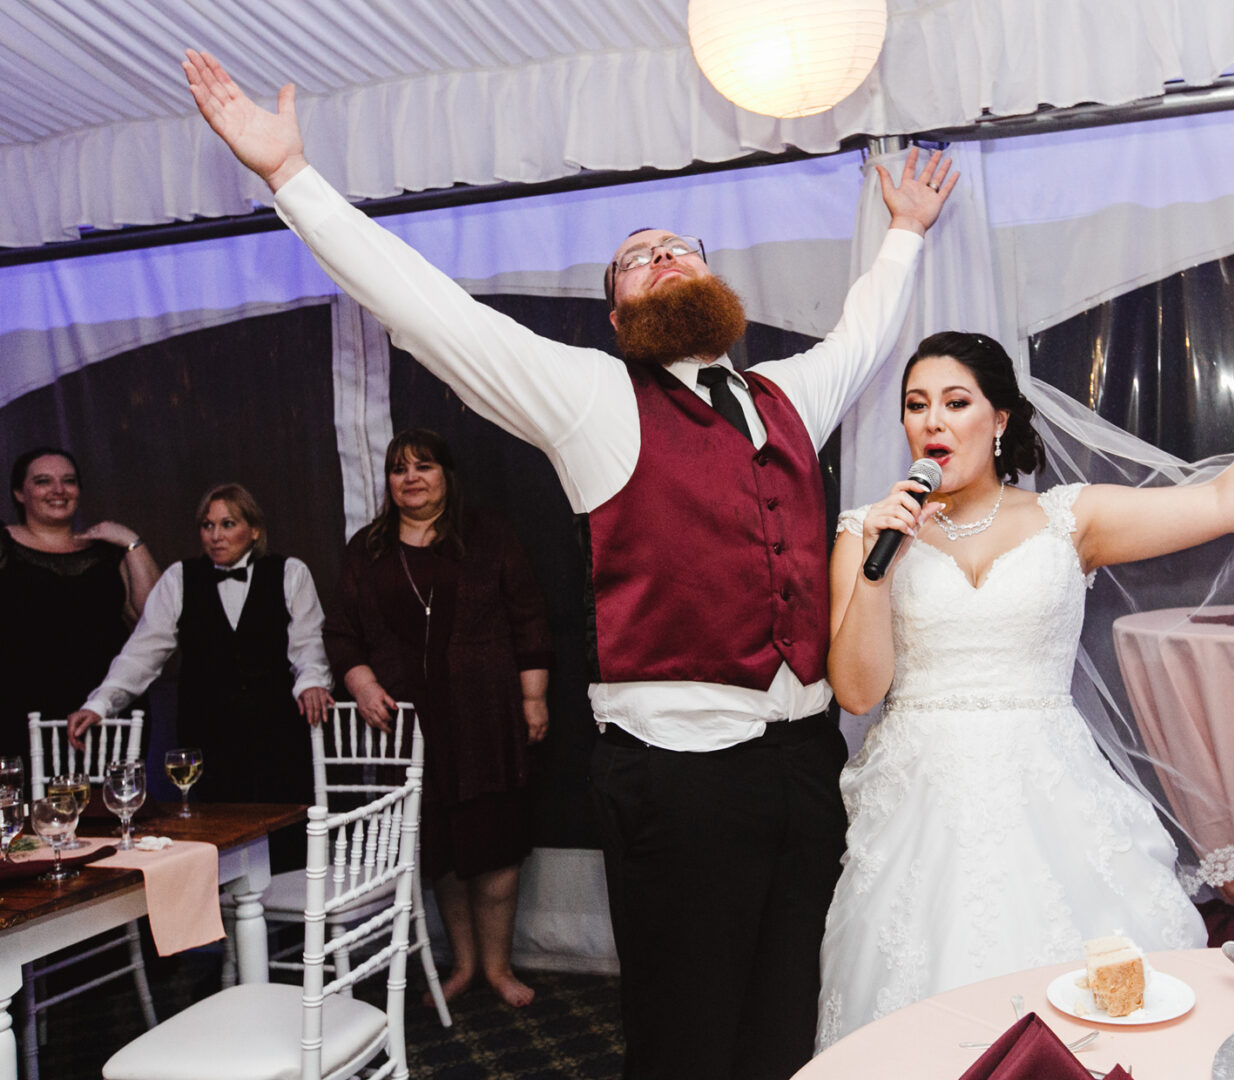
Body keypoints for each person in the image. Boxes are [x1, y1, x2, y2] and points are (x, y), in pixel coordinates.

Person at [181, 46, 956, 1079]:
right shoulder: (593, 397)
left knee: (787, 1012)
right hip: (678, 783)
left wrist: (903, 233)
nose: (667, 254)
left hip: (806, 766)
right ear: (618, 314)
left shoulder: (787, 397)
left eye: (682, 244)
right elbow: (429, 311)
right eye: (640, 255)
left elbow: (864, 333)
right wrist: (292, 180)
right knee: (686, 1035)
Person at [816, 325, 1234, 1047]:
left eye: (955, 401)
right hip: (919, 811)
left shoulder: (1069, 520)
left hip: (1053, 798)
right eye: (916, 404)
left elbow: (1226, 498)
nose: (932, 420)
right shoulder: (866, 531)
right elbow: (855, 690)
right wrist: (880, 567)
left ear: (998, 418)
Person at [323, 428, 552, 1009]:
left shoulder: (489, 532)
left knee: (495, 847)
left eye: (424, 466)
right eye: (399, 469)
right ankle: (463, 966)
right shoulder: (366, 548)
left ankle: (499, 969)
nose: (411, 478)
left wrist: (533, 698)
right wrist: (362, 683)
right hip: (411, 726)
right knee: (442, 851)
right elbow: (341, 633)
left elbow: (528, 616)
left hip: (488, 717)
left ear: (447, 474)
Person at [67, 483, 333, 864]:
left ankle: (295, 923)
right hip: (208, 738)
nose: (215, 535)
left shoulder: (290, 572)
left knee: (288, 838)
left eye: (227, 524)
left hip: (278, 733)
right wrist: (100, 703)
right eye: (207, 526)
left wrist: (311, 684)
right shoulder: (180, 578)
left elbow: (308, 645)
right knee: (217, 844)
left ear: (253, 529)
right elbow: (143, 653)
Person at [1, 447, 161, 757]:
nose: (59, 490)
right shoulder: (4, 545)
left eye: (69, 481)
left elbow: (155, 618)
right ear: (20, 493)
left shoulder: (106, 549)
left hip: (105, 710)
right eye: (43, 481)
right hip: (18, 708)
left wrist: (132, 542)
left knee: (109, 803)